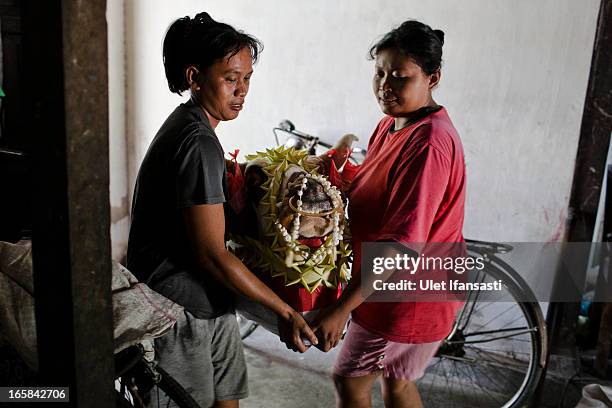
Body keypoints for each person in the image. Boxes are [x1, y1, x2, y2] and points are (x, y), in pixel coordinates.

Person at [126, 12, 317, 408]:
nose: (242, 90)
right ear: (194, 78)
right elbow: (211, 255)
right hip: (177, 312)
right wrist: (283, 309)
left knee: (227, 400)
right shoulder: (196, 141)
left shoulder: (194, 128)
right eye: (231, 78)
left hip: (210, 302)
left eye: (246, 78)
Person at [312, 20, 467, 408]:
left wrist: (340, 309)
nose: (385, 85)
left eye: (399, 77)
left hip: (407, 294)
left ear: (433, 78)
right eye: (379, 73)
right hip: (403, 288)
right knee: (397, 383)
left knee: (351, 381)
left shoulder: (430, 143)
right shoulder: (391, 125)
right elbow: (372, 187)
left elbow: (401, 247)